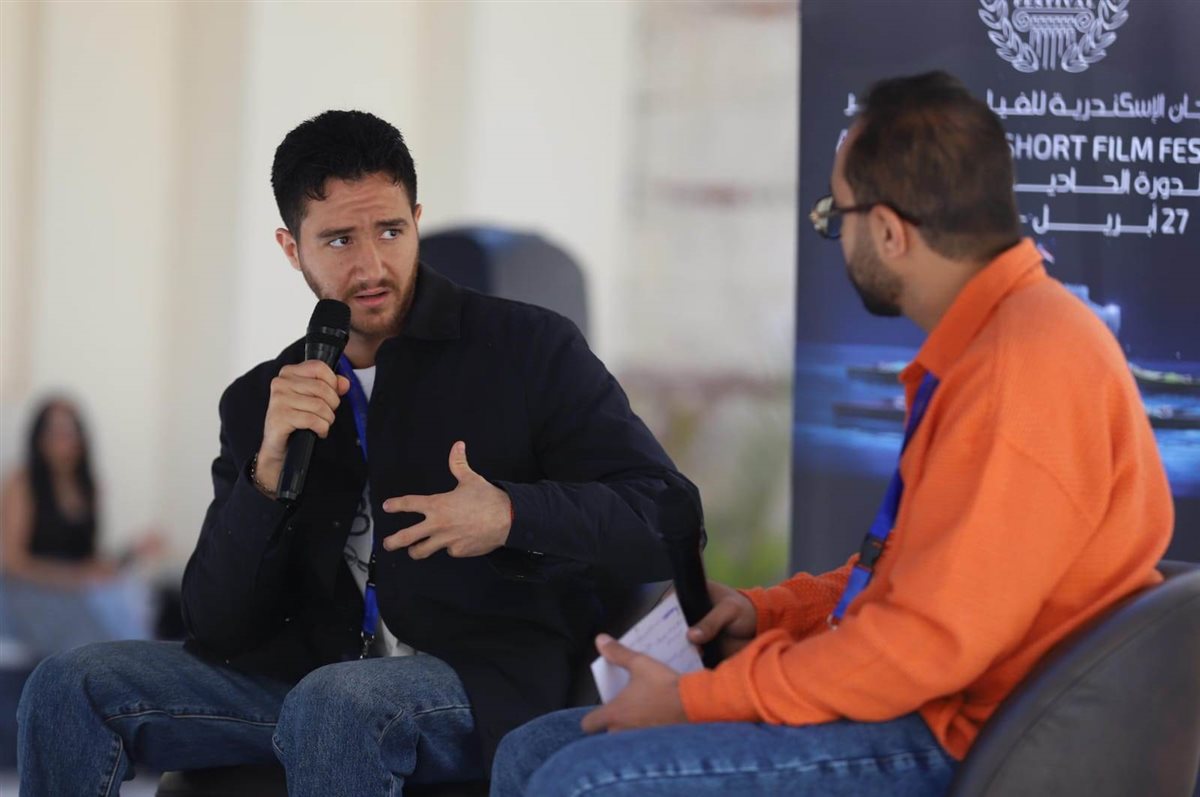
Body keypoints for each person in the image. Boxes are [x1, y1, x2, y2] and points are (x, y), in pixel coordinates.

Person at [489, 70, 1174, 797]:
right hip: (936, 702)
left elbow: (919, 649)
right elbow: (915, 578)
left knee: (581, 779)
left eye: (834, 217)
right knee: (534, 751)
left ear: (889, 232)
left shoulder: (1015, 369)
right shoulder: (1005, 338)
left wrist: (696, 699)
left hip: (967, 738)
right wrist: (769, 614)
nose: (836, 237)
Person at [17, 110, 701, 796]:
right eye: (340, 239)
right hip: (308, 678)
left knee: (339, 701)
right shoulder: (263, 398)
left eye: (391, 231)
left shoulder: (528, 348)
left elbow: (667, 516)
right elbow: (215, 624)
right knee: (68, 685)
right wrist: (265, 477)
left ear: (417, 221)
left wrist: (512, 515)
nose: (371, 265)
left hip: (477, 680)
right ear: (292, 248)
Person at [0, 397, 159, 657]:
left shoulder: (87, 486)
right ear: (39, 438)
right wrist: (76, 578)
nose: (65, 439)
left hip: (78, 589)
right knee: (89, 644)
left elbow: (91, 560)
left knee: (129, 608)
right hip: (35, 589)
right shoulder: (22, 483)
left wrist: (131, 552)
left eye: (72, 430)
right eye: (56, 430)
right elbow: (14, 564)